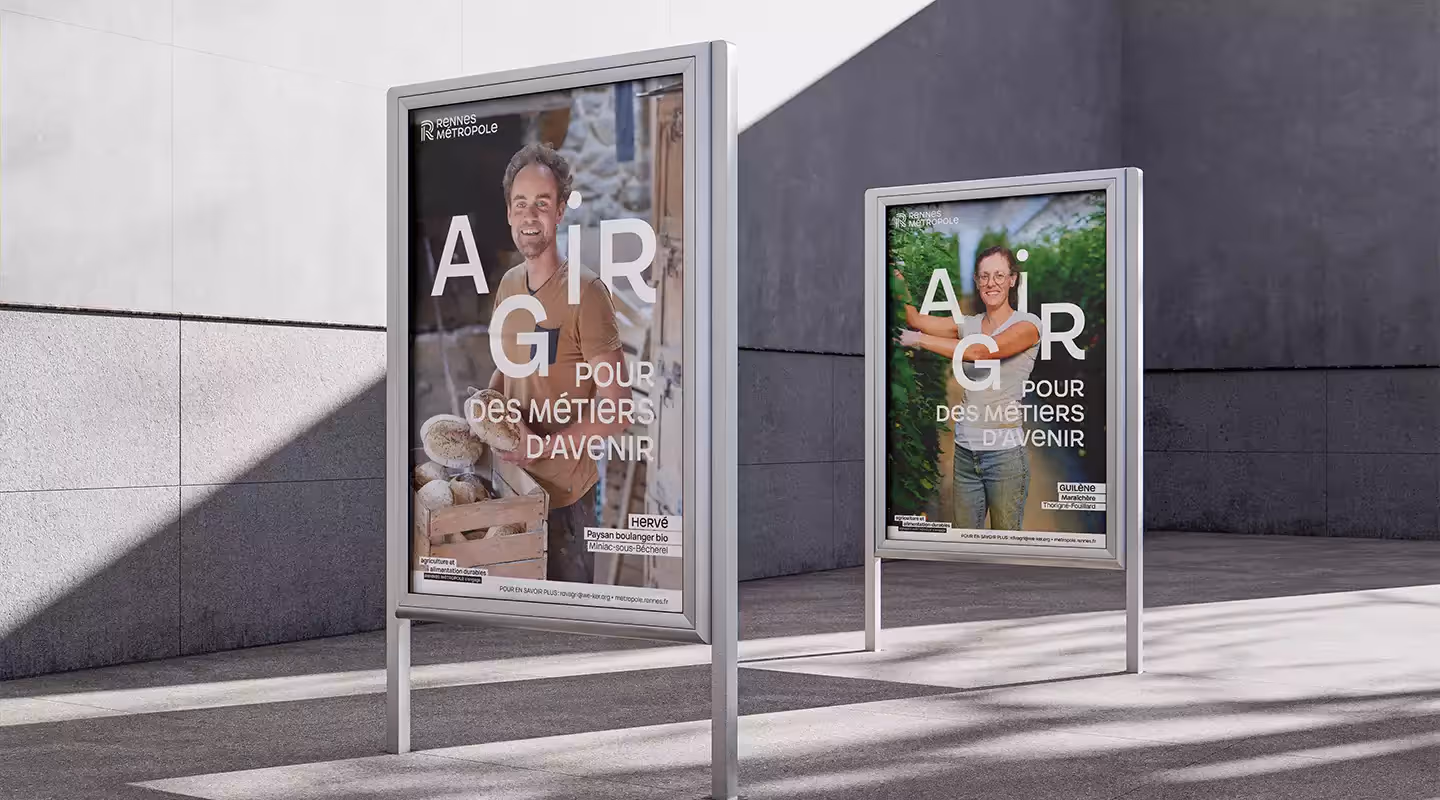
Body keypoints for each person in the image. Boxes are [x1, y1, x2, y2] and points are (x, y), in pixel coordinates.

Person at [487, 143, 630, 582]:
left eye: (542, 204)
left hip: (566, 502)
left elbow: (617, 408)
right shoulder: (509, 285)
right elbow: (505, 370)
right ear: (510, 212)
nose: (530, 216)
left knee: (570, 638)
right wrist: (484, 409)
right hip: (512, 487)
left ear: (561, 211)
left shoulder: (586, 294)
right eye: (521, 204)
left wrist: (544, 447)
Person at [896, 246, 1042, 530]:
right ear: (976, 281)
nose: (992, 283)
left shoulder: (1028, 324)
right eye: (985, 276)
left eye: (1000, 275)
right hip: (965, 453)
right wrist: (898, 281)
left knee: (1005, 546)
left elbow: (982, 352)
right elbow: (915, 320)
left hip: (1005, 456)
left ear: (1013, 279)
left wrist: (916, 340)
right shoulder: (970, 324)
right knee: (966, 545)